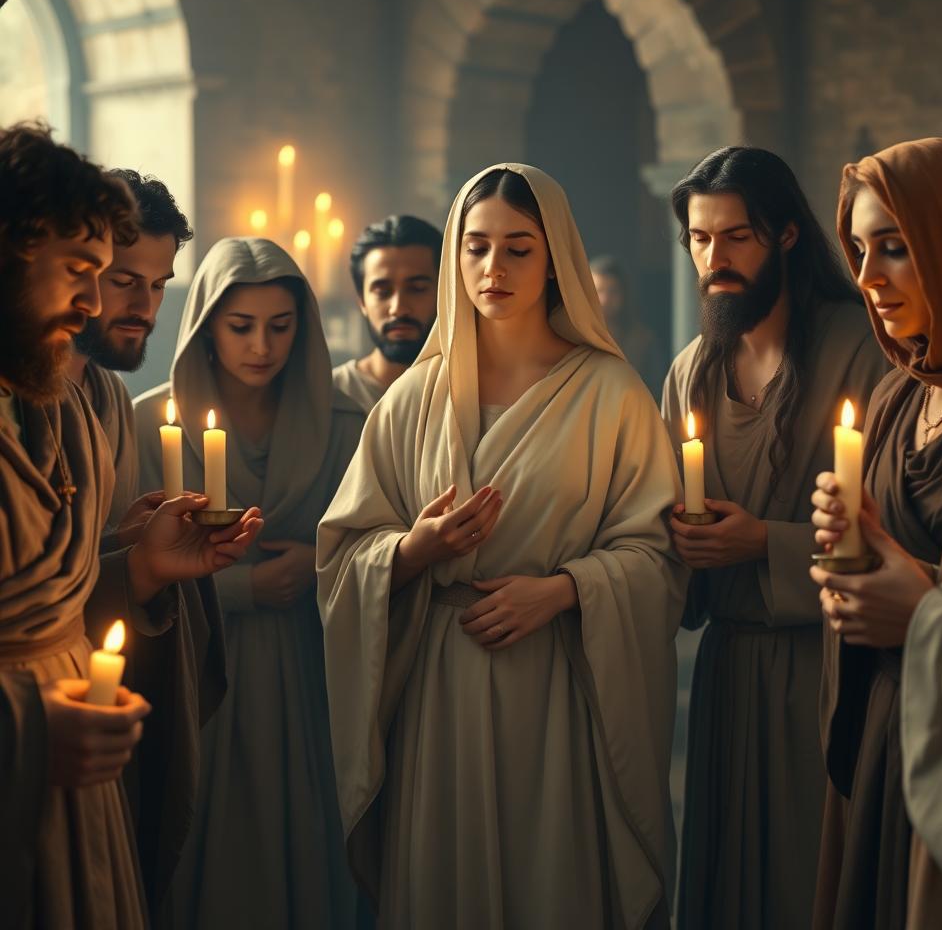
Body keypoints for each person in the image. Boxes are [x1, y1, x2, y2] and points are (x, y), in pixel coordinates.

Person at [318, 164, 684, 928]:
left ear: (556, 259)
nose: (494, 269)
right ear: (454, 255)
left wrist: (565, 590)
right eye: (476, 247)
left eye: (519, 248)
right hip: (439, 689)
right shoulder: (415, 397)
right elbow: (345, 550)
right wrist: (412, 551)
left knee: (552, 880)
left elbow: (657, 554)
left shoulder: (611, 392)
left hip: (558, 682)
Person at [0, 122, 262, 930]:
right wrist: (22, 737)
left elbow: (64, 589)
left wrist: (142, 566)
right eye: (89, 274)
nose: (99, 302)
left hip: (74, 740)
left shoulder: (87, 400)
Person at [812, 81, 942, 929]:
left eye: (896, 247)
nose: (868, 279)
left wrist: (923, 604)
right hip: (891, 719)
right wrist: (854, 555)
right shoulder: (898, 397)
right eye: (858, 253)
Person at [662, 146, 890, 930]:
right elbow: (670, 542)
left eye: (737, 237)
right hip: (728, 670)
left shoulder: (861, 350)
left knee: (808, 888)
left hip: (825, 669)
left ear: (787, 236)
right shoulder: (690, 373)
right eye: (700, 239)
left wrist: (766, 541)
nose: (715, 258)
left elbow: (891, 529)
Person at [135, 237, 364, 928]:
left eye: (281, 326)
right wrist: (243, 589)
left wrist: (323, 564)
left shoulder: (345, 422)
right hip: (200, 667)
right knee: (211, 842)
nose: (262, 345)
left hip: (313, 666)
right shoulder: (152, 423)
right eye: (241, 326)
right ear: (206, 326)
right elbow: (127, 560)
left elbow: (375, 544)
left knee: (310, 833)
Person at [69, 169, 192, 537]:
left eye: (157, 285)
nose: (144, 306)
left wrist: (129, 536)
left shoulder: (113, 395)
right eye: (124, 282)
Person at [333, 214, 442, 413]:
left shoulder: (472, 395)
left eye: (417, 288)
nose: (398, 308)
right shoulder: (330, 397)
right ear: (362, 301)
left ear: (445, 293)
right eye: (382, 292)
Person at [590, 254, 669, 397]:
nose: (605, 299)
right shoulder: (579, 338)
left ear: (624, 294)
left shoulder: (643, 341)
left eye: (612, 291)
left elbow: (656, 391)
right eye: (599, 291)